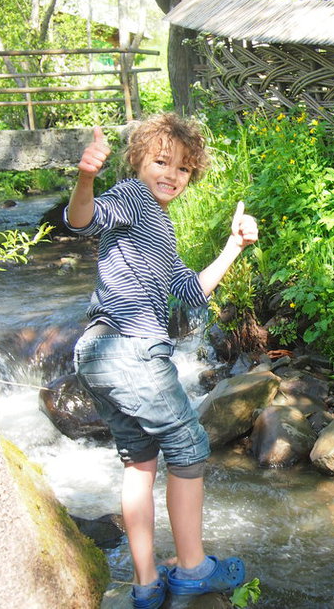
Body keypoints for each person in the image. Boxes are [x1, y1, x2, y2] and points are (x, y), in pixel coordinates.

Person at [65, 114, 257, 609]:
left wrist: (233, 246)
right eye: (161, 161)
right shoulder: (131, 197)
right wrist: (85, 177)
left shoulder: (159, 224)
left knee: (140, 462)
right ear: (138, 161)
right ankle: (193, 570)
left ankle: (147, 583)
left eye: (184, 169)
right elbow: (83, 220)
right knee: (190, 446)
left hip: (99, 352)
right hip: (129, 344)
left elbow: (189, 290)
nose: (172, 174)